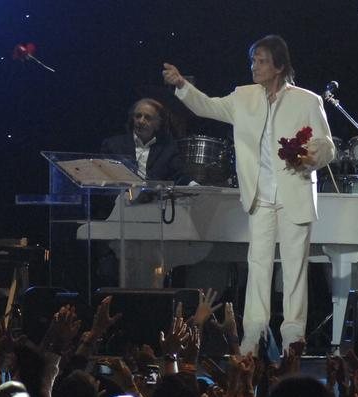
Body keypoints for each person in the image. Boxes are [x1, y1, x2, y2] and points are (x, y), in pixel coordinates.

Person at [162, 35, 335, 353]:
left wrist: (311, 155)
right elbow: (208, 106)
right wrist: (182, 84)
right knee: (258, 264)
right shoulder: (243, 97)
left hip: (293, 193)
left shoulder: (308, 101)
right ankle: (253, 336)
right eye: (253, 60)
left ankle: (293, 339)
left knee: (295, 267)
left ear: (279, 66)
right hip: (260, 196)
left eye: (262, 61)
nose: (254, 66)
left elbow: (327, 145)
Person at [100, 98, 190, 183]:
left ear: (158, 123)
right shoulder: (113, 145)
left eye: (147, 118)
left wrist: (195, 186)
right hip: (121, 197)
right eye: (138, 116)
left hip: (156, 198)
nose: (141, 121)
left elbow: (180, 175)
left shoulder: (168, 149)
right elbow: (103, 178)